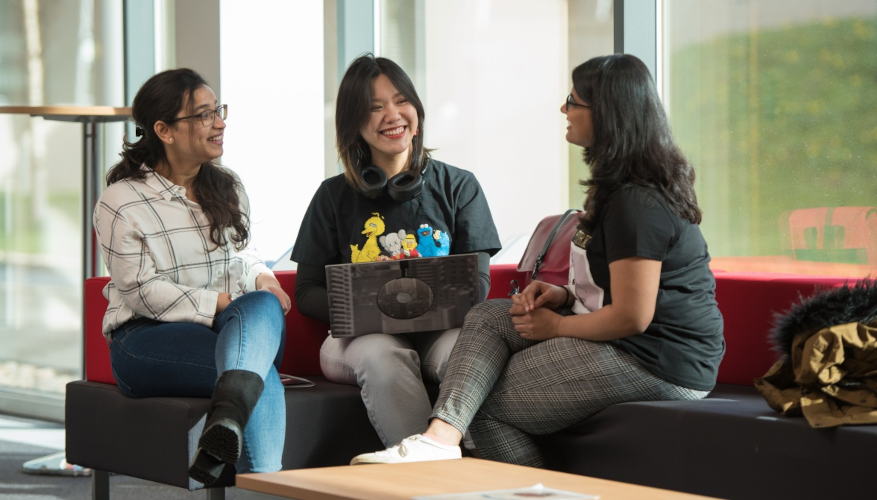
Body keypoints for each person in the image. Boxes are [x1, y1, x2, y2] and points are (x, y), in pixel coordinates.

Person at [350, 53, 725, 467]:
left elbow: (633, 316)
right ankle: (440, 438)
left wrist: (559, 325)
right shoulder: (618, 186)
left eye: (573, 101)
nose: (564, 108)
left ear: (607, 114)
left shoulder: (636, 201)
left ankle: (516, 481)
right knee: (488, 317)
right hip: (630, 341)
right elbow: (615, 282)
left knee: (482, 405)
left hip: (656, 359)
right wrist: (564, 295)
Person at [291, 54, 501, 449]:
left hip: (441, 334)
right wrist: (372, 306)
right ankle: (427, 474)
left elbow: (478, 284)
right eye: (375, 107)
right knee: (383, 358)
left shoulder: (460, 186)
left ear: (417, 112)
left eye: (401, 101)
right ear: (354, 124)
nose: (393, 114)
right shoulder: (332, 196)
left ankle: (488, 467)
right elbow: (306, 292)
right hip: (361, 339)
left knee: (467, 355)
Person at [94, 68, 290, 485]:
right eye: (204, 115)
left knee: (260, 309)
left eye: (218, 111)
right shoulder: (122, 201)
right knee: (255, 373)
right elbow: (141, 290)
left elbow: (242, 255)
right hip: (145, 338)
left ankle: (226, 425)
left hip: (226, 328)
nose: (219, 123)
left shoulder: (227, 186)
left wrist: (264, 279)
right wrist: (218, 303)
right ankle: (262, 481)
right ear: (163, 130)